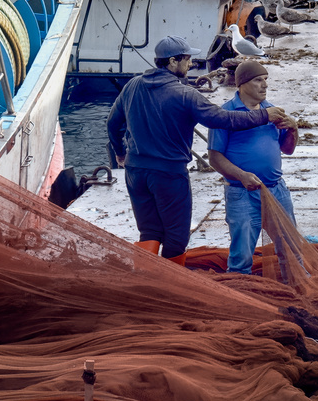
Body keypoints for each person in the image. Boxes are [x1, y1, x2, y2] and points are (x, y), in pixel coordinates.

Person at [107, 37, 294, 260]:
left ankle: (147, 280)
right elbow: (222, 119)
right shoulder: (184, 94)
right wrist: (264, 115)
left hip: (135, 172)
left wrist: (120, 153)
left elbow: (112, 123)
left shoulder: (133, 85)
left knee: (149, 231)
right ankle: (173, 285)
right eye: (187, 60)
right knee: (176, 237)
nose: (191, 64)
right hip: (168, 174)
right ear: (173, 61)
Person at [207, 60, 300, 276]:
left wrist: (294, 130)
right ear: (242, 84)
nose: (264, 85)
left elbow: (287, 150)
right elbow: (214, 158)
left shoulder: (272, 111)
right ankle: (242, 299)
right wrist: (241, 176)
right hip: (242, 194)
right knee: (241, 256)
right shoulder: (226, 114)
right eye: (258, 80)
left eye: (266, 80)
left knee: (291, 250)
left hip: (277, 190)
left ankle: (297, 291)